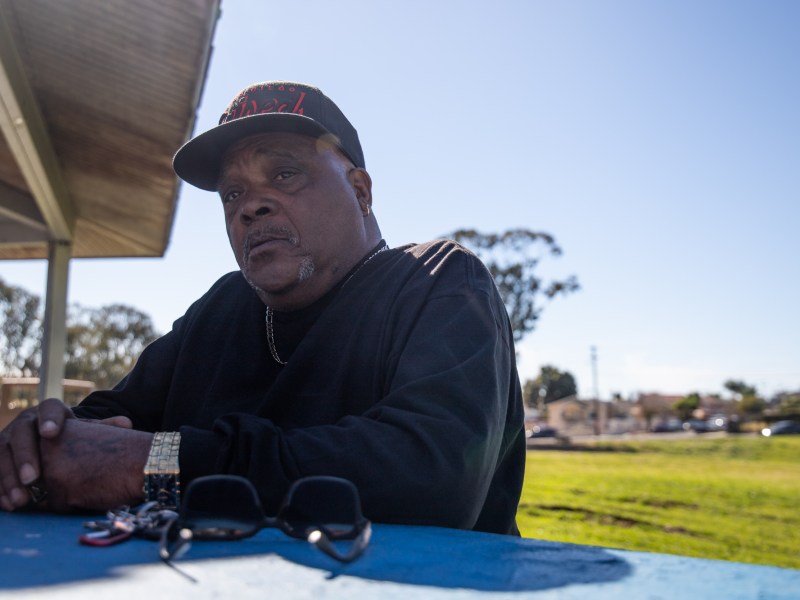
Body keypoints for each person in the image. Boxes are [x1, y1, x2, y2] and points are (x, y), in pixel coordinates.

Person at [0, 81, 525, 535]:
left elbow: (432, 476)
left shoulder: (437, 281)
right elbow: (106, 425)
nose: (249, 206)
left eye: (284, 174)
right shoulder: (222, 308)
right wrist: (41, 440)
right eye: (232, 193)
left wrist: (157, 464)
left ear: (360, 191)